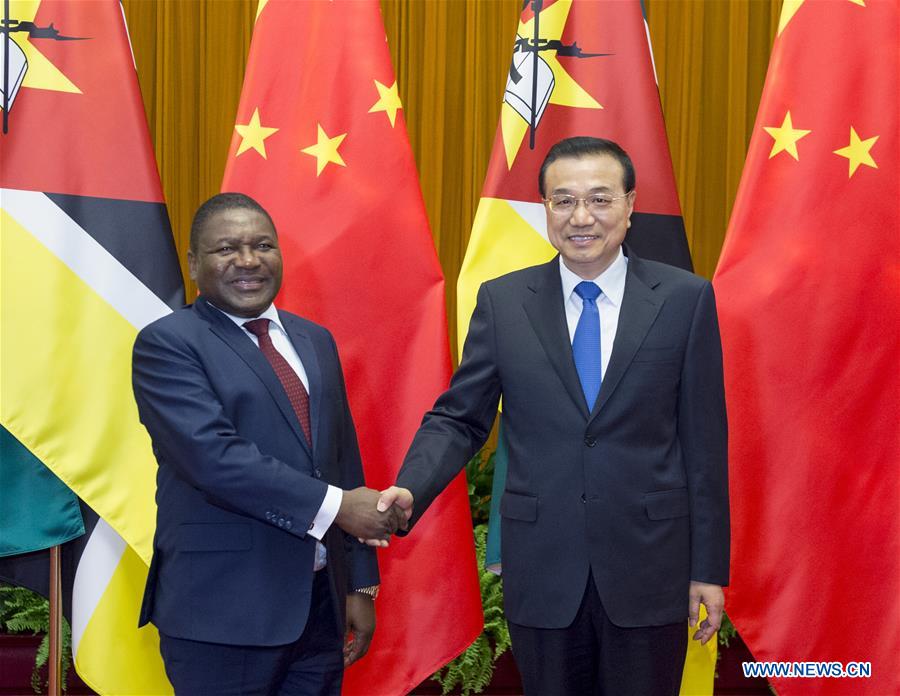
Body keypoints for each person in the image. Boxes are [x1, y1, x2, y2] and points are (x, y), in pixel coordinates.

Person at [378, 137, 730, 695]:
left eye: (599, 199)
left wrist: (708, 570)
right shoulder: (503, 301)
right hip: (542, 566)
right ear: (544, 207)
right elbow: (460, 418)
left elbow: (705, 444)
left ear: (630, 204)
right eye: (563, 201)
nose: (581, 217)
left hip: (650, 567)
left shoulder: (685, 300)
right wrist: (410, 487)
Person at [132, 193, 402, 695]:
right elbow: (214, 459)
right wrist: (339, 507)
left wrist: (360, 583)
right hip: (220, 615)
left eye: (262, 246)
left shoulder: (313, 339)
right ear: (194, 264)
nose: (248, 261)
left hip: (318, 609)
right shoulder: (168, 343)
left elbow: (342, 460)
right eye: (226, 249)